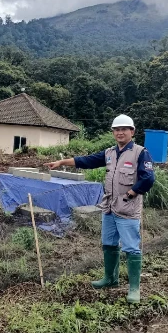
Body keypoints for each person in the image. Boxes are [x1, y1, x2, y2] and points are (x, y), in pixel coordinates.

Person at [45, 114, 155, 303]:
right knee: (109, 244)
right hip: (109, 207)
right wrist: (62, 163)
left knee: (131, 248)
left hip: (128, 209)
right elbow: (87, 161)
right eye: (116, 129)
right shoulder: (110, 153)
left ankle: (134, 289)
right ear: (113, 132)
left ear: (132, 132)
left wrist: (131, 193)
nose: (120, 132)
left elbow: (148, 178)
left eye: (124, 129)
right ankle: (110, 279)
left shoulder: (140, 152)